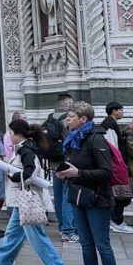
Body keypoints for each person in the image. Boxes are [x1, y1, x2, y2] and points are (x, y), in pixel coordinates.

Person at [55, 101, 122, 265]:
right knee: (85, 244)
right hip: (79, 197)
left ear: (83, 119)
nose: (67, 119)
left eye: (71, 116)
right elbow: (76, 168)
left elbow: (106, 172)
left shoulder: (95, 139)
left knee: (103, 245)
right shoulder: (74, 139)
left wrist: (78, 173)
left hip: (97, 199)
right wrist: (66, 173)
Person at [0, 120, 67, 265]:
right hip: (22, 200)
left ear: (17, 134)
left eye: (11, 132)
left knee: (37, 237)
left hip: (26, 200)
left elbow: (30, 173)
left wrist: (13, 176)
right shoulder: (27, 148)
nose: (9, 135)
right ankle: (2, 262)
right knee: (13, 233)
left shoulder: (26, 150)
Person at [43, 93, 78, 242]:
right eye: (71, 103)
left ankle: (62, 226)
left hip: (53, 164)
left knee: (58, 196)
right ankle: (68, 231)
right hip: (66, 163)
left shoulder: (49, 118)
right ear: (66, 105)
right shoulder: (66, 120)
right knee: (67, 196)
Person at [100, 102, 133, 235]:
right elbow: (113, 148)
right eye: (121, 110)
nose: (123, 112)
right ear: (114, 111)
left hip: (116, 165)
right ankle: (117, 221)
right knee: (119, 194)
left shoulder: (110, 123)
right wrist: (119, 165)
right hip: (116, 165)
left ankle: (115, 220)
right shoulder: (109, 125)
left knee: (118, 194)